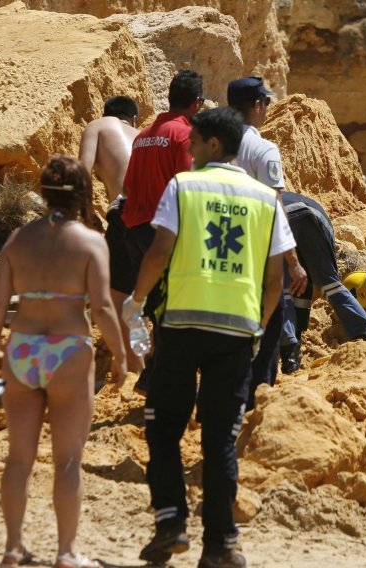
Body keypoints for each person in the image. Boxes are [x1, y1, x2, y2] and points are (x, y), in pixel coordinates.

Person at [123, 107, 293, 568]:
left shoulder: (184, 187)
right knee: (219, 439)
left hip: (181, 327)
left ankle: (171, 522)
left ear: (213, 145)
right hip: (236, 332)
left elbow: (159, 252)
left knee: (163, 427)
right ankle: (221, 544)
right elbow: (276, 279)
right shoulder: (263, 198)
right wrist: (258, 325)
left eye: (195, 142)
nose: (190, 150)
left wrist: (135, 301)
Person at [0, 156, 127, 568]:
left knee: (18, 457)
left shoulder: (18, 239)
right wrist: (119, 354)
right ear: (83, 194)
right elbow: (101, 306)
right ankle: (66, 553)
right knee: (67, 459)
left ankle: (12, 548)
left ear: (44, 193)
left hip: (23, 346)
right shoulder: (90, 242)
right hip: (68, 349)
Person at [122, 70, 204, 395]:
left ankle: (156, 379)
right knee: (177, 309)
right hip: (163, 234)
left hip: (134, 234)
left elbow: (127, 187)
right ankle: (159, 379)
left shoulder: (142, 136)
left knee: (160, 310)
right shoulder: (184, 134)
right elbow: (188, 183)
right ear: (197, 102)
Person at [227, 76, 307, 391]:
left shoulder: (213, 146)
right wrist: (293, 259)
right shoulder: (263, 149)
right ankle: (259, 390)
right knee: (268, 323)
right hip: (258, 251)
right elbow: (275, 205)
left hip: (221, 246)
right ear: (257, 106)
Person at [276, 191, 366, 377]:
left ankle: (290, 359)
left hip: (280, 221)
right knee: (330, 285)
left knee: (283, 290)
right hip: (317, 217)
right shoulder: (285, 196)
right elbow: (304, 288)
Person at [78, 95, 142, 372]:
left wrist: (87, 214)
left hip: (124, 213)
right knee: (148, 297)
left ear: (107, 113)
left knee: (118, 296)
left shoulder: (97, 126)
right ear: (134, 119)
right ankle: (153, 365)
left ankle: (133, 366)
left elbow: (82, 171)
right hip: (156, 217)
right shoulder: (142, 135)